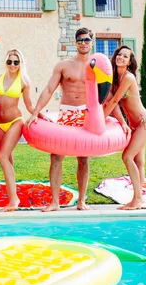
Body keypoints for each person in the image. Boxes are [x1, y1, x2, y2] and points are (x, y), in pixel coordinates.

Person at [26, 28, 96, 212]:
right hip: (67, 113)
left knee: (83, 159)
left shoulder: (97, 65)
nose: (83, 43)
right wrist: (35, 112)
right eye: (80, 40)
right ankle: (55, 202)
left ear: (92, 42)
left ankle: (81, 201)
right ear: (75, 42)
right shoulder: (64, 65)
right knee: (56, 157)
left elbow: (108, 92)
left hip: (86, 114)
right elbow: (49, 89)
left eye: (86, 40)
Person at [0, 49, 45, 212]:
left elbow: (29, 105)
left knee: (2, 157)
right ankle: (13, 194)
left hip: (14, 122)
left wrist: (39, 115)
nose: (12, 65)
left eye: (16, 62)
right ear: (6, 62)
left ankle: (14, 200)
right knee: (8, 161)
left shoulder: (24, 81)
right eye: (9, 61)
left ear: (21, 63)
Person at [103, 45, 146, 210]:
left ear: (129, 62)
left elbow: (113, 102)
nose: (120, 57)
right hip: (135, 125)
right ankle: (139, 197)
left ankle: (137, 199)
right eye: (119, 54)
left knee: (127, 157)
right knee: (138, 162)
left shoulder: (128, 78)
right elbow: (114, 105)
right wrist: (123, 123)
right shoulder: (115, 79)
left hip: (144, 123)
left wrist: (100, 119)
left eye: (125, 56)